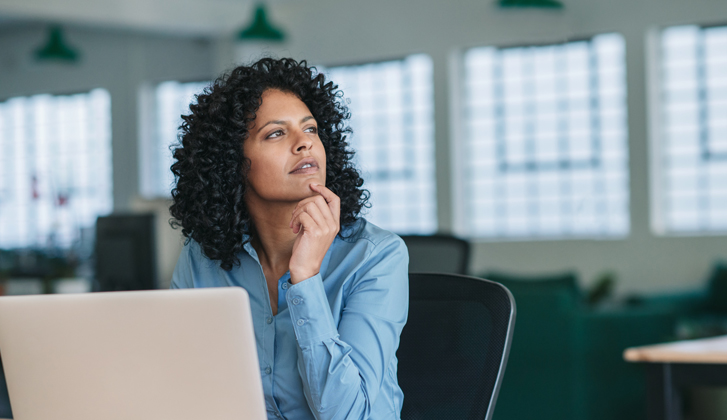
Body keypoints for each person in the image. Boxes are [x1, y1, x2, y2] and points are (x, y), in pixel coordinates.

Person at [168, 57, 409, 420]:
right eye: (276, 133)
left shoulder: (375, 256)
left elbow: (352, 416)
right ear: (231, 162)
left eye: (310, 129)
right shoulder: (202, 259)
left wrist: (306, 278)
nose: (304, 144)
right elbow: (181, 387)